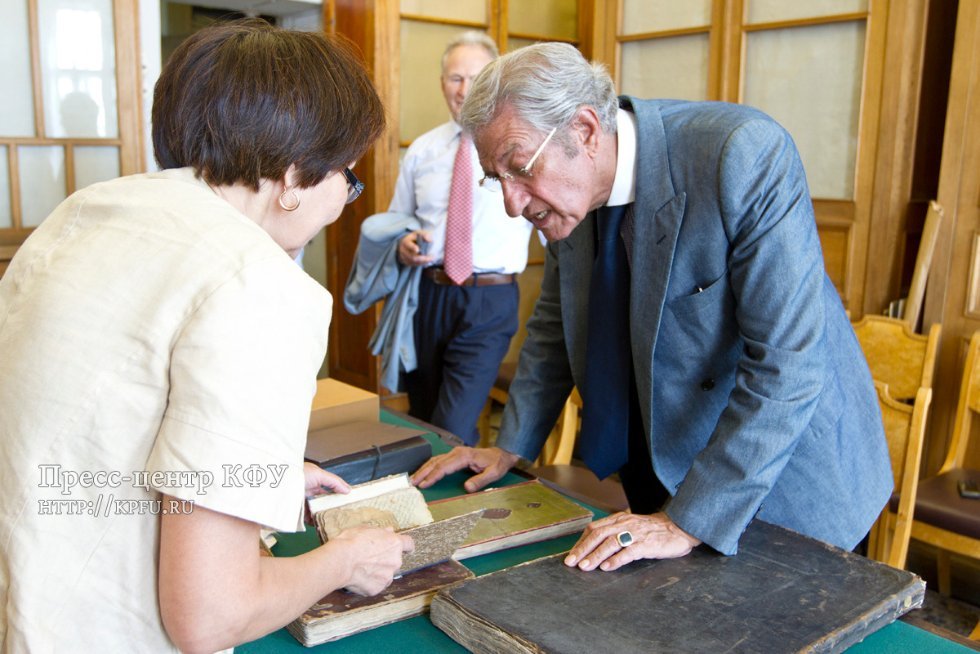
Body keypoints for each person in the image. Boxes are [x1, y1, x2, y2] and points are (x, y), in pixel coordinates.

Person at [0, 20, 412, 653]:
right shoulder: (259, 282)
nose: (346, 201)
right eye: (347, 179)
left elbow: (77, 446)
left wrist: (262, 478)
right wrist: (346, 561)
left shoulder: (84, 212)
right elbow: (212, 616)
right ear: (296, 178)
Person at [412, 43, 892, 571]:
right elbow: (556, 325)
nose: (510, 202)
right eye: (494, 177)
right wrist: (510, 446)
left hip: (785, 483)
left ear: (586, 131)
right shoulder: (565, 191)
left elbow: (788, 366)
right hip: (661, 471)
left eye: (519, 167)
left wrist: (686, 520)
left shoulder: (742, 155)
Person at [388, 31, 534, 445]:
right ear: (442, 84)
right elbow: (397, 221)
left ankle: (456, 503)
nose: (465, 89)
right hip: (427, 296)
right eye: (455, 78)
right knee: (422, 419)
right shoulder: (422, 150)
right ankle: (429, 505)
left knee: (452, 426)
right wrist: (403, 242)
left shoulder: (520, 148)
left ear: (496, 83)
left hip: (489, 300)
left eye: (476, 77)